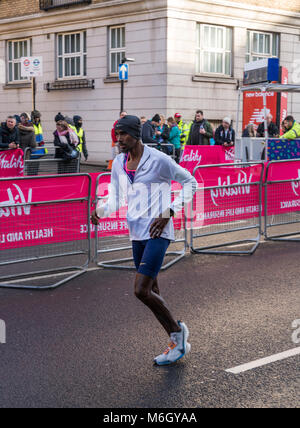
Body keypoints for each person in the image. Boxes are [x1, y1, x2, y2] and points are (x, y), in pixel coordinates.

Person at [91, 115, 197, 365]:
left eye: (123, 134)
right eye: (116, 135)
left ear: (136, 134)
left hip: (158, 231)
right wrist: (101, 210)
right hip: (136, 232)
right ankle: (175, 341)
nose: (119, 140)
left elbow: (190, 183)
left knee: (141, 290)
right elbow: (116, 197)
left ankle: (179, 334)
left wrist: (169, 211)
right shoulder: (118, 162)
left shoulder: (158, 160)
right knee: (153, 292)